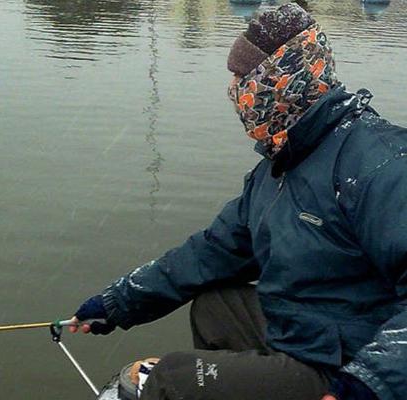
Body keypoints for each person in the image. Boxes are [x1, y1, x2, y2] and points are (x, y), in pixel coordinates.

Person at [70, 4, 407, 400]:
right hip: (312, 335)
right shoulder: (279, 166)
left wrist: (366, 385)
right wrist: (117, 303)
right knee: (216, 308)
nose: (234, 90)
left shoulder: (380, 165)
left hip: (347, 365)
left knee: (171, 377)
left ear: (282, 80)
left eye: (243, 77)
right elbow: (211, 253)